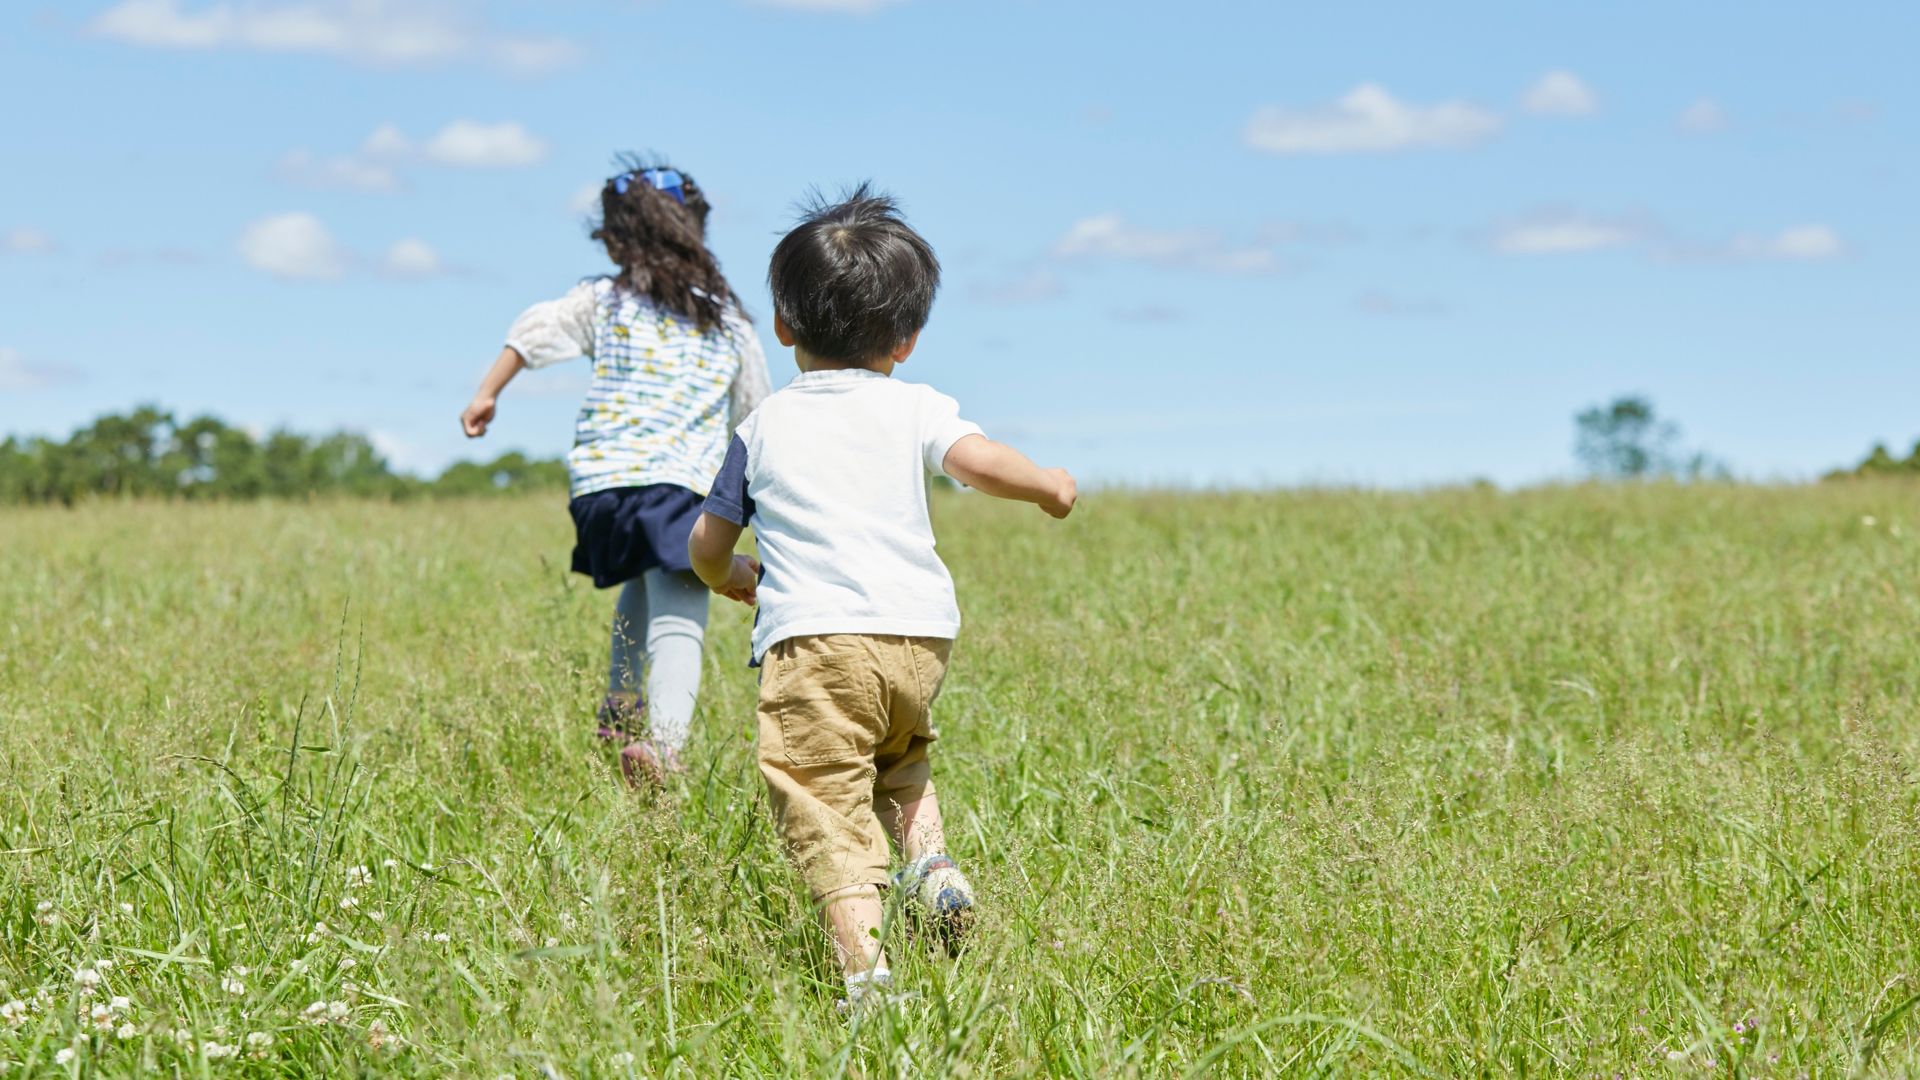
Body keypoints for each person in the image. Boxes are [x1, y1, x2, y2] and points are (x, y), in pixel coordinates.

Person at [687, 186, 1076, 1012]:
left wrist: (729, 579)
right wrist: (1045, 485)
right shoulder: (917, 406)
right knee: (902, 762)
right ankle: (930, 865)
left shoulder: (763, 425)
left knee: (824, 801)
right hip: (917, 641)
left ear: (784, 326)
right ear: (907, 338)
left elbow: (708, 543)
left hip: (815, 646)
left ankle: (868, 983)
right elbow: (976, 462)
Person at [461, 159, 770, 785]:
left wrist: (487, 392)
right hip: (677, 481)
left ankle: (621, 709)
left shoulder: (604, 300)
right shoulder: (727, 324)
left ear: (617, 238)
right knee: (682, 613)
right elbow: (758, 414)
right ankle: (665, 747)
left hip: (603, 488)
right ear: (695, 232)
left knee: (644, 580)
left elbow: (537, 329)